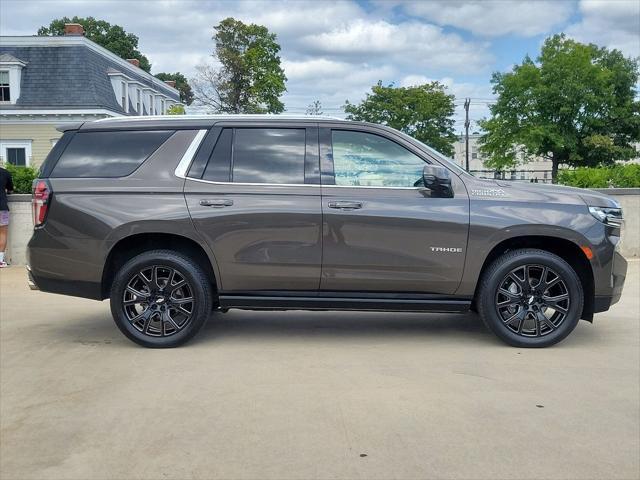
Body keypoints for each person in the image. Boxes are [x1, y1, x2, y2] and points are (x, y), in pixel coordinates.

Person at [0, 165, 14, 268]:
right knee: (3, 233)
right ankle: (0, 260)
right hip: (2, 208)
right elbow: (10, 190)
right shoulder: (5, 173)